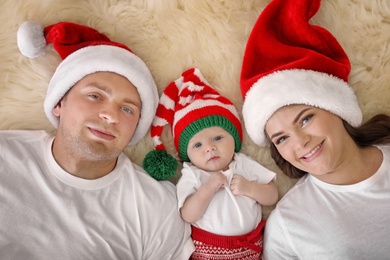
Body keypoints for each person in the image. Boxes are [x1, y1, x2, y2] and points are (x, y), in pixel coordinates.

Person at [0, 21, 194, 259]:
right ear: (60, 103)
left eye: (127, 109)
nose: (110, 115)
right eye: (95, 96)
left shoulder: (157, 209)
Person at [238, 0, 390, 259]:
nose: (300, 142)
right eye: (282, 138)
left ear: (337, 108)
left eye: (305, 119)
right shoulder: (288, 224)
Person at [143, 68, 278, 259]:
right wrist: (207, 189)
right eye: (197, 144)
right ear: (186, 155)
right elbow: (188, 215)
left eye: (217, 137)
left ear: (234, 139)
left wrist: (250, 189)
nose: (209, 148)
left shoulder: (243, 164)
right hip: (207, 249)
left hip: (251, 247)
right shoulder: (193, 174)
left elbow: (272, 196)